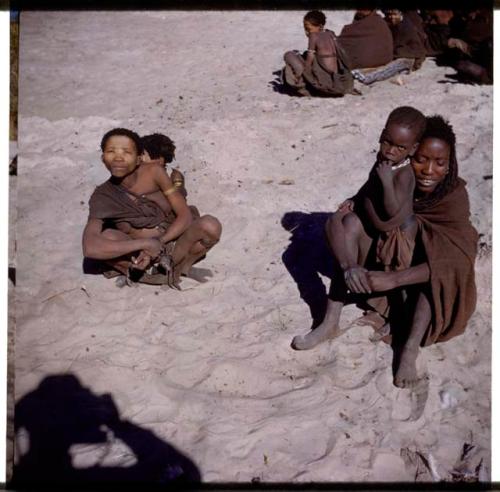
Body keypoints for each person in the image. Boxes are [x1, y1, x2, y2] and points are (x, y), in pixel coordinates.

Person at [293, 115, 478, 388]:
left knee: (437, 258)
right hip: (385, 260)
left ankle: (409, 349)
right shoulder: (393, 174)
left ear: (450, 165)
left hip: (419, 281)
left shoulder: (452, 198)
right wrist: (348, 261)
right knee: (351, 223)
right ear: (411, 152)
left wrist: (394, 279)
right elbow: (361, 205)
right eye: (421, 160)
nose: (428, 170)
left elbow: (456, 261)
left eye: (440, 163)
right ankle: (330, 320)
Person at [292, 106, 426, 352]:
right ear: (382, 134)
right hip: (374, 232)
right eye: (387, 141)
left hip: (395, 242)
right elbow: (370, 184)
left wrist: (386, 181)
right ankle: (330, 320)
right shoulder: (384, 160)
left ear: (413, 149)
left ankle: (397, 319)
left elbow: (391, 210)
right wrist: (357, 197)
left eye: (399, 147)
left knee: (399, 284)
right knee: (345, 224)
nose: (390, 150)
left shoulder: (404, 173)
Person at [82, 128, 222, 288]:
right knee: (108, 236)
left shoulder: (155, 173)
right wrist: (144, 245)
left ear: (138, 158)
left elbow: (184, 214)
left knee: (210, 225)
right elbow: (90, 247)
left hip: (173, 244)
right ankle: (150, 274)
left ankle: (181, 267)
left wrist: (159, 242)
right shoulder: (102, 196)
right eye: (111, 151)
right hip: (139, 254)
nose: (118, 158)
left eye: (127, 152)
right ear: (103, 159)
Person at [282, 10, 353, 97]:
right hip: (337, 81)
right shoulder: (331, 34)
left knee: (289, 55)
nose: (306, 32)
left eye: (308, 29)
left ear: (320, 26)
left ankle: (301, 86)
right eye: (305, 29)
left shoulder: (313, 36)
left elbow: (309, 62)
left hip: (322, 83)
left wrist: (300, 74)